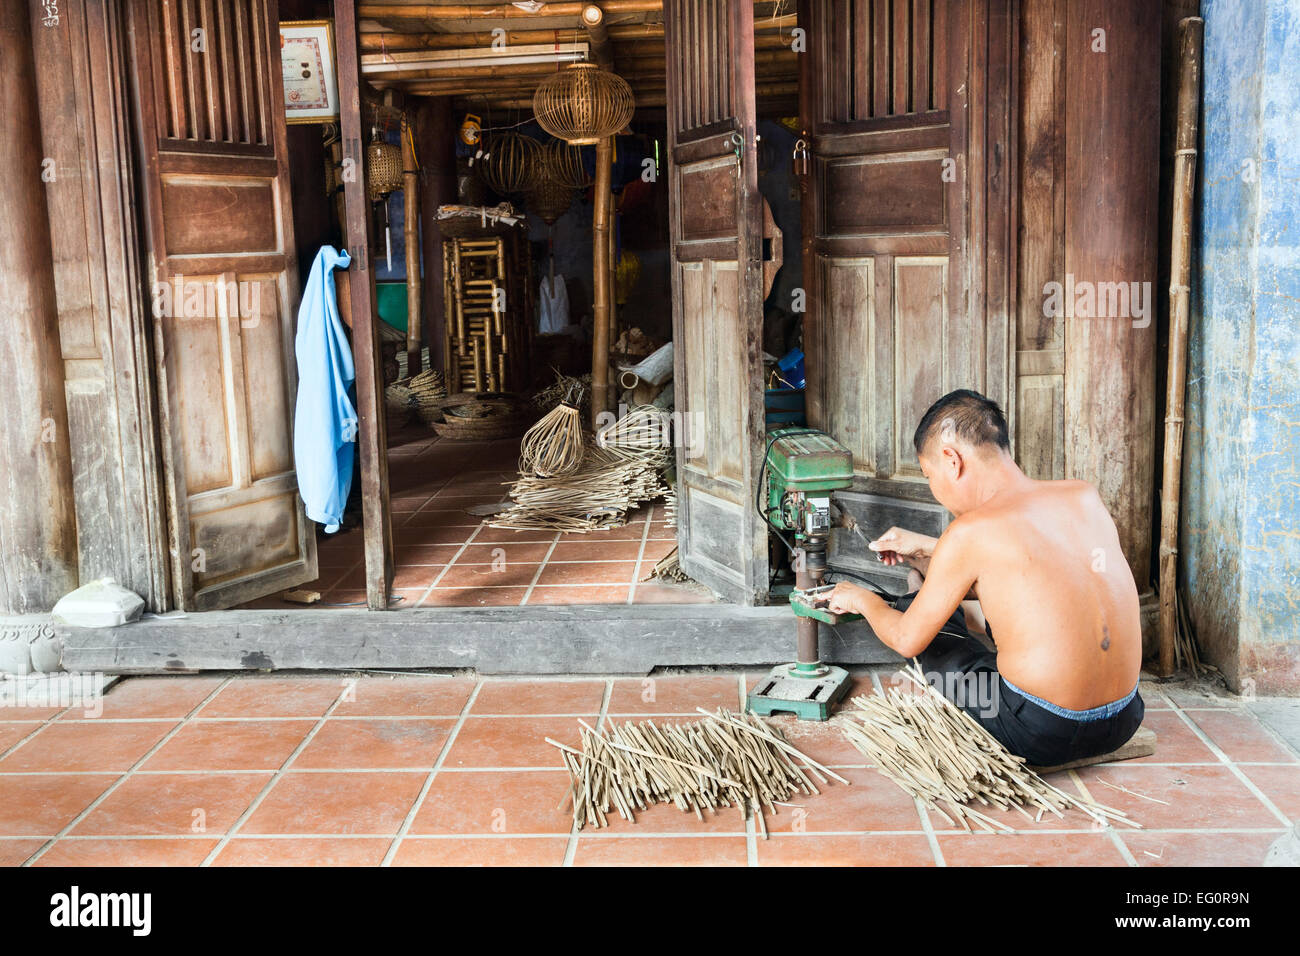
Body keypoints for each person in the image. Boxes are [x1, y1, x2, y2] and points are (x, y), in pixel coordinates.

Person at [827, 389, 1144, 766]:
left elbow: (906, 639)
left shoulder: (970, 532)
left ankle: (922, 603)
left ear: (952, 460)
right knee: (957, 601)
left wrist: (861, 599)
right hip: (1125, 717)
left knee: (935, 636)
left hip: (1044, 730)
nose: (934, 490)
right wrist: (932, 550)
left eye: (929, 476)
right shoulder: (1083, 496)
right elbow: (1030, 577)